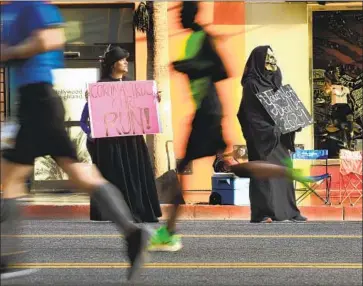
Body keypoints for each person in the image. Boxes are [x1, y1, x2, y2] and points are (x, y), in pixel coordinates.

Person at [0, 1, 149, 281]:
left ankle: (8, 260)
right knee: (77, 173)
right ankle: (132, 232)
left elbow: (50, 38)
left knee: (10, 178)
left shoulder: (33, 6)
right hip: (33, 102)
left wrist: (9, 52)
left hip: (38, 99)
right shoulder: (11, 9)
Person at [147, 3, 311, 252]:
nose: (178, 18)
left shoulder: (203, 38)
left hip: (208, 111)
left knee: (193, 168)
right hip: (206, 110)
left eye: (182, 13)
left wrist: (186, 65)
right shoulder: (196, 40)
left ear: (193, 15)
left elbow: (221, 70)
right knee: (225, 166)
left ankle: (168, 232)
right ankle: (168, 231)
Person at [80, 45, 162, 223]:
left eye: (126, 59)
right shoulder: (100, 88)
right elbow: (84, 120)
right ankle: (113, 212)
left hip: (132, 141)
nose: (126, 62)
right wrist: (90, 129)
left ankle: (139, 210)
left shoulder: (133, 85)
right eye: (122, 59)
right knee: (114, 175)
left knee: (134, 174)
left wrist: (153, 100)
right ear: (112, 64)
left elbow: (142, 110)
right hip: (110, 143)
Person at [237, 45, 307, 223]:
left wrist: (293, 121)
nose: (271, 61)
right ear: (259, 61)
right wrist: (270, 130)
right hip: (263, 138)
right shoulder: (251, 84)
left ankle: (290, 211)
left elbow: (283, 106)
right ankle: (265, 213)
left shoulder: (276, 81)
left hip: (280, 138)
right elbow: (250, 114)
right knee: (265, 174)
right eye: (267, 58)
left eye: (273, 57)